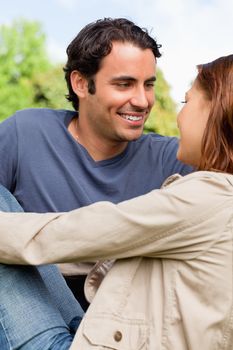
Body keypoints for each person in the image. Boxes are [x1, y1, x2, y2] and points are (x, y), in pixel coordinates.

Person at [1, 54, 232, 349]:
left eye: (186, 103)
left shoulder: (209, 197)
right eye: (124, 84)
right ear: (81, 84)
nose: (145, 102)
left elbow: (78, 232)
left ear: (218, 112)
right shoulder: (28, 130)